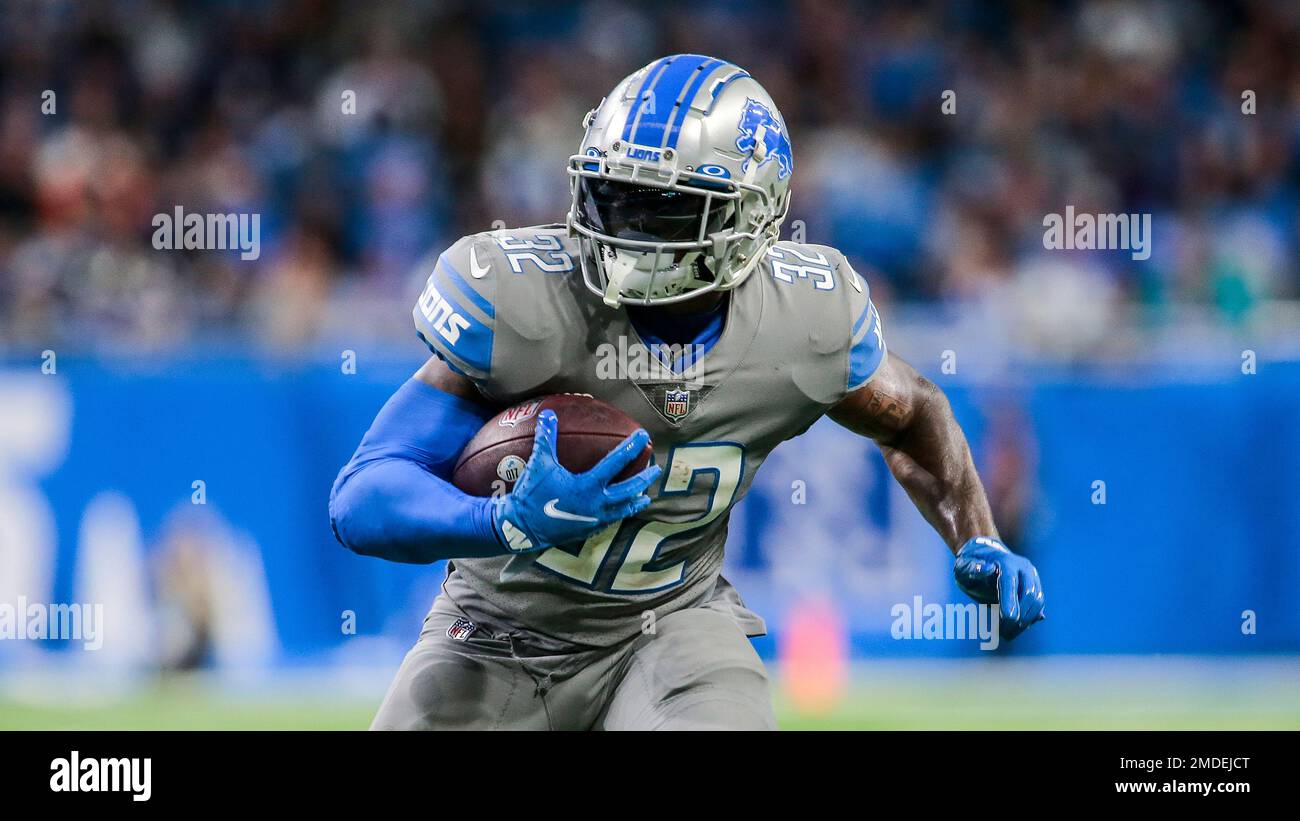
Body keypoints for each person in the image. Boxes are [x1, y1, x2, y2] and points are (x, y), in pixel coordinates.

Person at [330, 54, 1044, 730]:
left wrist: (977, 532)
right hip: (497, 624)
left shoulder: (806, 322)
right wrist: (502, 521)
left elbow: (915, 414)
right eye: (613, 194)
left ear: (750, 217)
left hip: (673, 621)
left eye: (663, 206)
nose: (626, 228)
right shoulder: (524, 300)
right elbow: (362, 497)